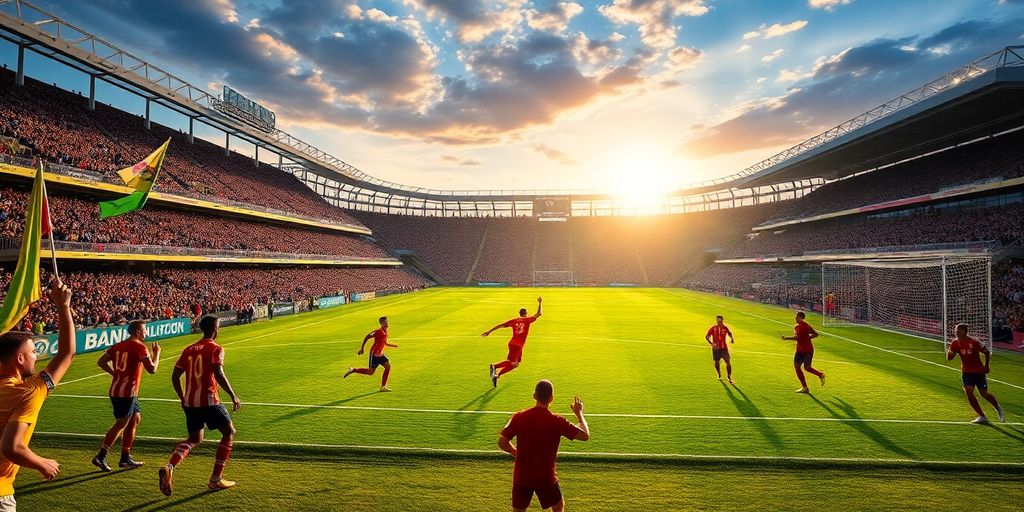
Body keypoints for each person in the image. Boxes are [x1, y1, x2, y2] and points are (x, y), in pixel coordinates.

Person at [0, 281, 75, 511]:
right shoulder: (27, 391)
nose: (36, 356)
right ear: (20, 359)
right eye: (33, 352)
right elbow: (66, 354)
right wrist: (43, 464)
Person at [158, 315, 241, 496]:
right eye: (218, 326)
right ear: (214, 328)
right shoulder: (216, 348)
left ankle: (170, 466)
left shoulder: (188, 349)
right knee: (229, 432)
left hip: (190, 403)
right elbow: (218, 373)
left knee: (194, 439)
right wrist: (233, 395)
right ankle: (215, 479)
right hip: (210, 401)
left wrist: (183, 397)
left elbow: (174, 377)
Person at [498, 380, 590, 512]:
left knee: (518, 510)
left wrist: (515, 452)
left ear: (534, 396)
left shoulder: (519, 417)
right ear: (552, 398)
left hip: (521, 476)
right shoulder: (557, 420)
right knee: (558, 507)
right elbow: (585, 435)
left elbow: (502, 442)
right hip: (545, 477)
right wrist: (579, 414)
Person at [92, 320, 161, 471]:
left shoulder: (118, 346)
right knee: (121, 423)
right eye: (144, 330)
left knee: (135, 419)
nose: (146, 333)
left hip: (119, 390)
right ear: (137, 332)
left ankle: (125, 457)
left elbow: (101, 361)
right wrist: (157, 354)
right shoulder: (140, 347)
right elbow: (152, 370)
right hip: (126, 392)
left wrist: (114, 374)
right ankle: (101, 455)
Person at [946, 323, 1005, 424]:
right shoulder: (955, 343)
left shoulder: (974, 342)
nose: (956, 332)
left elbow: (987, 352)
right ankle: (982, 416)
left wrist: (986, 366)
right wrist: (950, 351)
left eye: (959, 330)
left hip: (978, 371)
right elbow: (949, 358)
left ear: (965, 331)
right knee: (969, 392)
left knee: (984, 394)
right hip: (966, 372)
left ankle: (997, 407)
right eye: (955, 330)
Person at [483, 297, 542, 387]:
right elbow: (539, 314)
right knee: (512, 363)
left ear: (519, 314)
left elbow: (501, 325)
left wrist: (489, 331)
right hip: (517, 346)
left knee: (516, 363)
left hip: (514, 344)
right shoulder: (527, 320)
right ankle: (495, 366)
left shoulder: (513, 321)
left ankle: (497, 376)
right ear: (526, 314)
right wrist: (540, 303)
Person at [344, 316, 397, 392]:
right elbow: (367, 337)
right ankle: (353, 370)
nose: (387, 323)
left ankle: (383, 387)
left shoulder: (385, 331)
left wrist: (390, 345)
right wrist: (362, 348)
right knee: (370, 372)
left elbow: (383, 342)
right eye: (385, 322)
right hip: (374, 355)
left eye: (387, 322)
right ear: (381, 324)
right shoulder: (378, 331)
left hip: (381, 354)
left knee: (388, 367)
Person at [781, 311, 825, 393]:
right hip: (800, 350)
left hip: (807, 350)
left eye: (796, 316)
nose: (795, 318)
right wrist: (808, 338)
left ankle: (820, 375)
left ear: (801, 318)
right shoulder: (805, 325)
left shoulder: (801, 327)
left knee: (807, 368)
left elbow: (797, 337)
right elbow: (815, 334)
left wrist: (786, 338)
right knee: (797, 367)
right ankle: (805, 387)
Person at [705, 315, 735, 382]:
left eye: (720, 321)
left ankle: (729, 376)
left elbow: (729, 333)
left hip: (724, 348)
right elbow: (707, 337)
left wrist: (732, 339)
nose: (718, 322)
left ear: (722, 320)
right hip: (716, 349)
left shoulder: (725, 328)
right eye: (717, 321)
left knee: (728, 362)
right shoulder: (713, 328)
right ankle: (719, 374)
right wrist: (712, 343)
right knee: (716, 361)